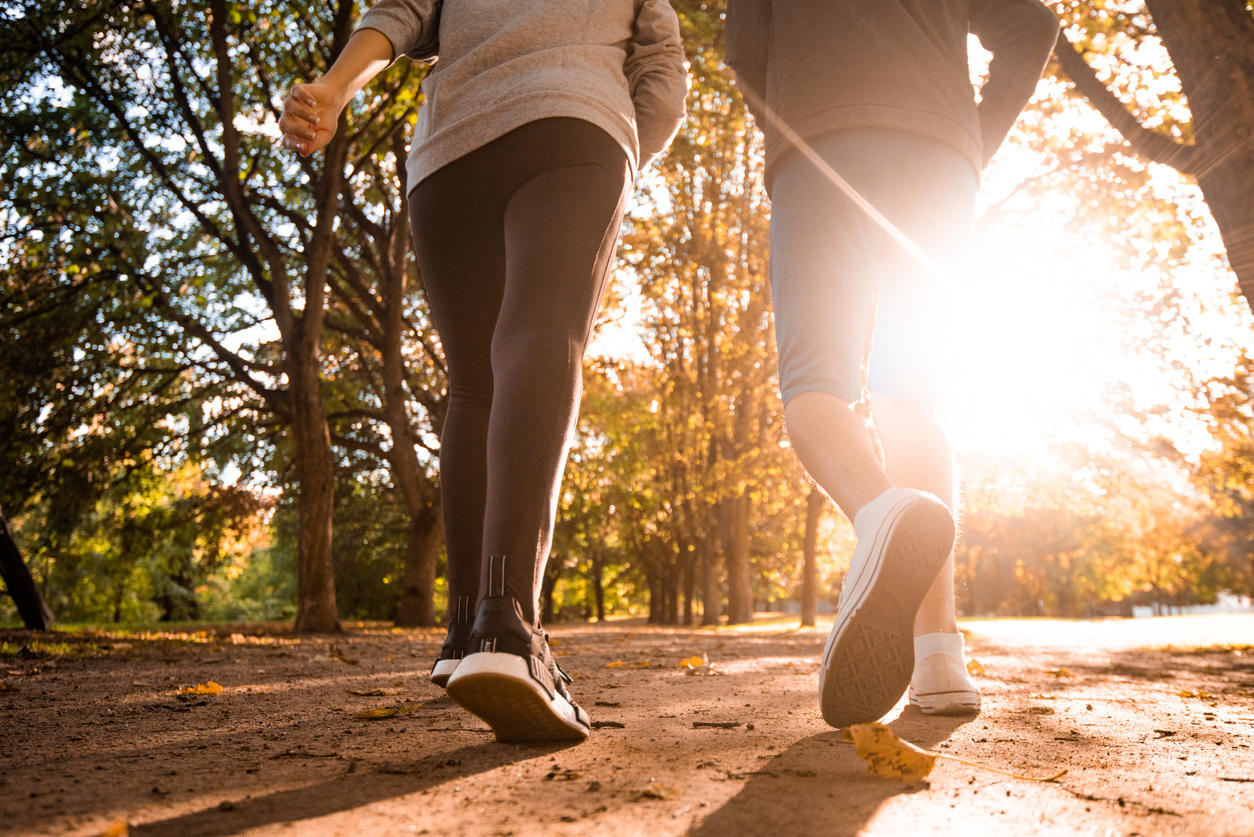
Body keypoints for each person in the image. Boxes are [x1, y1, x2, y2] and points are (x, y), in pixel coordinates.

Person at [280, 0, 687, 742]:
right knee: (541, 332)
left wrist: (335, 88)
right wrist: (623, 143)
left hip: (451, 153)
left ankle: (465, 630)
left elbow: (401, 13)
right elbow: (660, 69)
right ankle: (509, 630)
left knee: (472, 380)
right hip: (575, 124)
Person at [724, 0, 1058, 727]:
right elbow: (1032, 28)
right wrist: (970, 136)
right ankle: (940, 658)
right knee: (911, 400)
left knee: (815, 390)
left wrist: (794, 126)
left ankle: (880, 512)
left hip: (816, 145)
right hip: (937, 157)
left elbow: (746, 51)